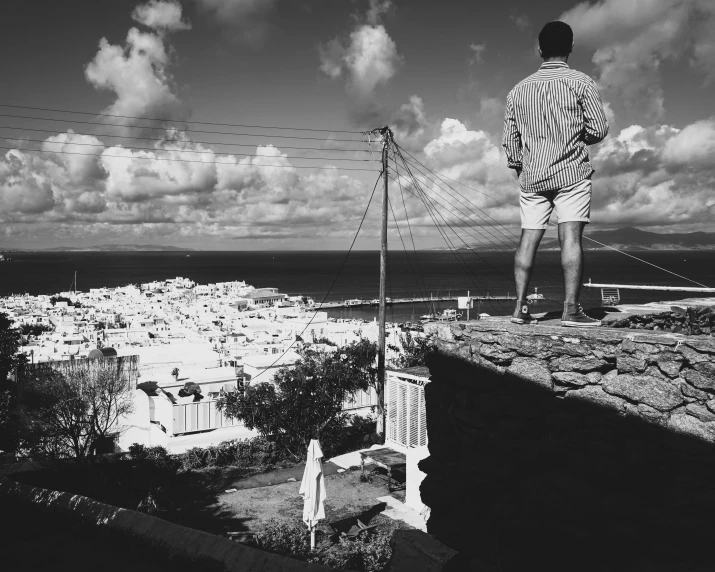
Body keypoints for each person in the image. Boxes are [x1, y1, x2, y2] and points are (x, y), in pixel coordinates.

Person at [502, 20, 609, 327]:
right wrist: (574, 140)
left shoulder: (517, 91)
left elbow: (511, 142)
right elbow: (599, 129)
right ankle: (571, 310)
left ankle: (520, 309)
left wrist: (522, 164)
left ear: (539, 50)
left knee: (527, 239)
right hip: (571, 172)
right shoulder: (582, 82)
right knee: (571, 238)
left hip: (533, 176)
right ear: (571, 47)